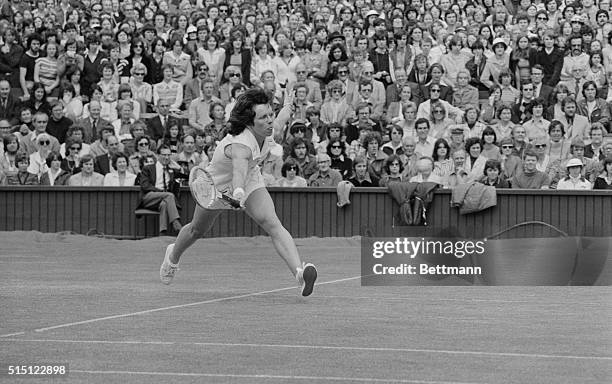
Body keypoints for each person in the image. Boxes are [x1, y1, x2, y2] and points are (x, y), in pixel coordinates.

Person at [160, 88, 318, 297]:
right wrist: (239, 192)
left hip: (250, 177)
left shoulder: (269, 131)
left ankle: (299, 274)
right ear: (250, 122)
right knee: (196, 231)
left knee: (272, 222)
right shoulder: (241, 144)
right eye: (264, 117)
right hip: (217, 186)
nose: (270, 120)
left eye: (270, 113)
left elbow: (281, 120)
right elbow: (239, 169)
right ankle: (172, 256)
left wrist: (288, 104)